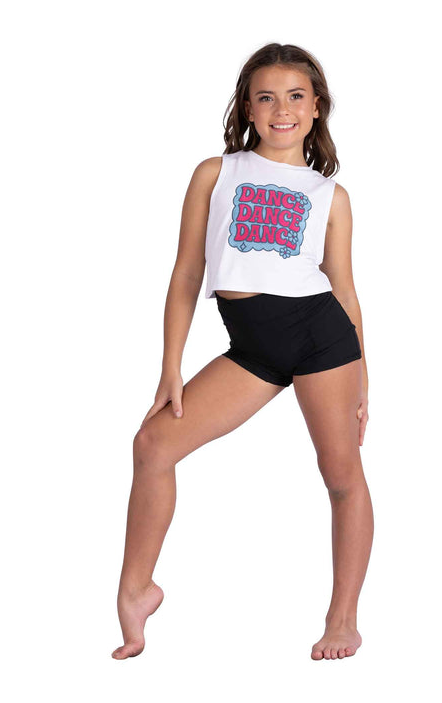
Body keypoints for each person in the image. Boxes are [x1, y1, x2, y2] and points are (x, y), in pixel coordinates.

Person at [112, 42, 373, 662]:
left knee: (341, 477)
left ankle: (343, 619)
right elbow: (186, 273)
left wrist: (364, 379)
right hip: (252, 345)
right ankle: (137, 590)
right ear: (248, 109)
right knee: (153, 444)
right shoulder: (217, 173)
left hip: (321, 337)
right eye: (267, 97)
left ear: (316, 108)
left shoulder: (330, 196)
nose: (282, 109)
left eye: (296, 97)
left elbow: (344, 289)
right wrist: (170, 366)